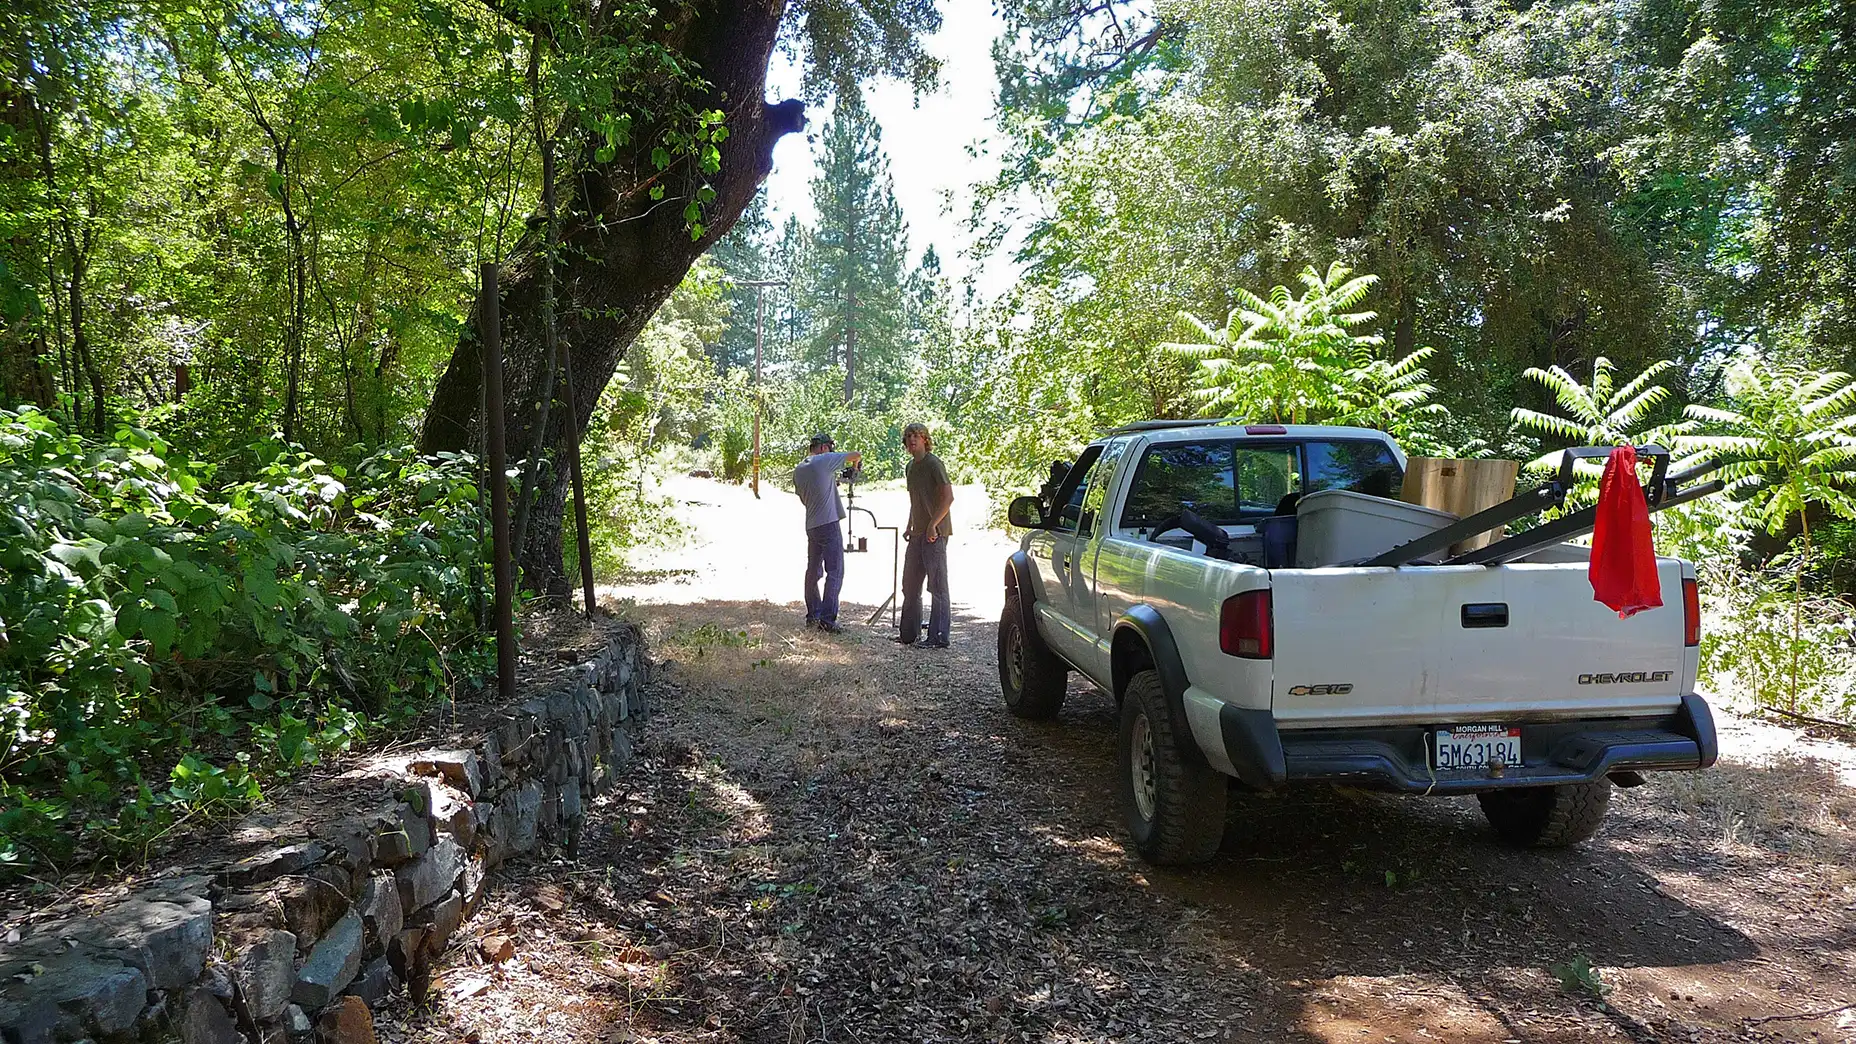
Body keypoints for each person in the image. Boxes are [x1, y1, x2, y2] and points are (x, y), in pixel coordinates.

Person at [793, 433, 861, 633]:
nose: (831, 452)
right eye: (830, 448)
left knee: (813, 571)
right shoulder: (824, 460)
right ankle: (828, 620)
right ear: (823, 448)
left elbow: (809, 494)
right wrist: (855, 467)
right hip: (829, 523)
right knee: (835, 571)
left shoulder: (800, 469)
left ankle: (813, 614)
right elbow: (855, 454)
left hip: (812, 524)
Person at [896, 422, 954, 648]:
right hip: (918, 532)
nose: (912, 440)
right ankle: (909, 634)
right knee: (910, 584)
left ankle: (938, 637)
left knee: (937, 586)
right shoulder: (911, 467)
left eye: (917, 436)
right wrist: (910, 525)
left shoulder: (934, 464)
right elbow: (915, 500)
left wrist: (933, 525)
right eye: (909, 436)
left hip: (935, 533)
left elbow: (948, 498)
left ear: (925, 440)